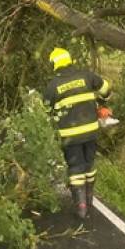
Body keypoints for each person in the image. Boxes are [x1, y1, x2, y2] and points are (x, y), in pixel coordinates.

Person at [42, 47, 112, 219]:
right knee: (89, 165)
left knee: (76, 167)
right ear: (70, 60)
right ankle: (89, 202)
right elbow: (106, 89)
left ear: (54, 65)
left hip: (70, 136)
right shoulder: (87, 76)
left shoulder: (53, 86)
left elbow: (44, 111)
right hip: (91, 132)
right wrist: (101, 102)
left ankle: (81, 208)